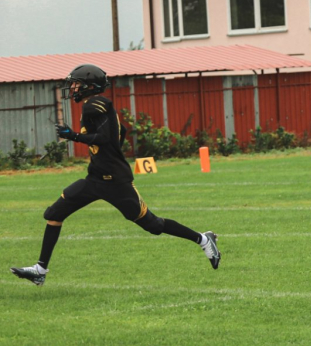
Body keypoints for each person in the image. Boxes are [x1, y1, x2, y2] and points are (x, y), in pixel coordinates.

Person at [9, 64, 220, 286]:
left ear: (90, 86)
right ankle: (40, 270)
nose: (73, 88)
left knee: (153, 225)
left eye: (77, 84)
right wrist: (108, 153)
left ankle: (204, 239)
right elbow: (121, 132)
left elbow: (104, 137)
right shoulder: (93, 106)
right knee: (54, 213)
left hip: (116, 182)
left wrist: (74, 137)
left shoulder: (95, 104)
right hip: (94, 179)